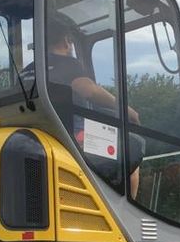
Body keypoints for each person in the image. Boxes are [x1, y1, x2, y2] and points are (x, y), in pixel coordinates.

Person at [46, 12, 142, 198]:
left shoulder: (31, 69)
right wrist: (127, 110)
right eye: (71, 41)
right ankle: (129, 208)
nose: (71, 46)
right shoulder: (67, 63)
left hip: (52, 136)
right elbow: (89, 91)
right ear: (66, 41)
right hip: (75, 138)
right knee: (132, 147)